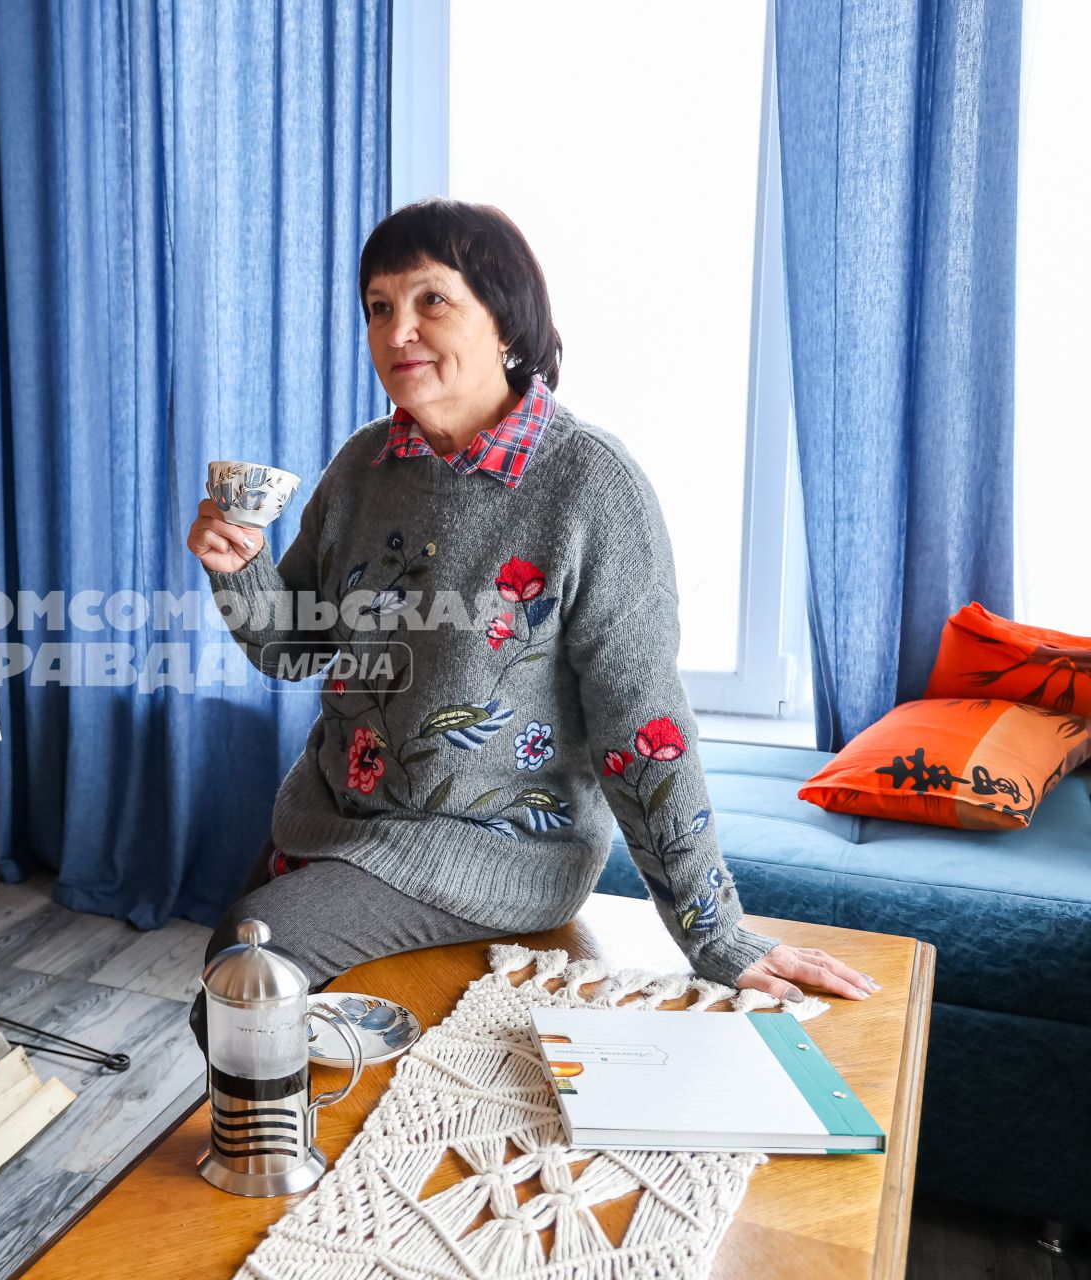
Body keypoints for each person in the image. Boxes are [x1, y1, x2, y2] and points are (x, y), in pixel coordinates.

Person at [186, 199, 875, 1044]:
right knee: (247, 992)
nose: (398, 329)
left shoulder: (590, 487)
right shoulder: (363, 467)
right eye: (378, 306)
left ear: (506, 322)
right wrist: (240, 569)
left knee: (246, 967)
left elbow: (642, 728)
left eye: (431, 301)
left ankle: (268, 1165)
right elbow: (295, 651)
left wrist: (715, 934)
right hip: (334, 820)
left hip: (495, 854)